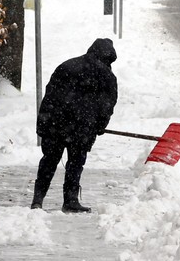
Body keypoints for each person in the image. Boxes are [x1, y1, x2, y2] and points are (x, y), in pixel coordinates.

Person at [31, 38, 119, 213]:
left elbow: (49, 96)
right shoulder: (107, 76)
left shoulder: (67, 66)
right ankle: (70, 200)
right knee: (75, 164)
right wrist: (100, 125)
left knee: (49, 162)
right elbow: (107, 105)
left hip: (56, 124)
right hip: (82, 128)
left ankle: (38, 199)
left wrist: (43, 123)